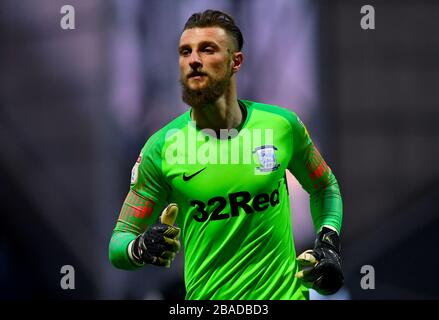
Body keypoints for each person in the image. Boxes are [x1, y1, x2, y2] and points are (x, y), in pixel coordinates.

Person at [108, 9, 343, 300]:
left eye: (207, 50)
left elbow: (324, 186)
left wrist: (328, 242)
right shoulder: (162, 148)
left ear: (235, 62)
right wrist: (140, 247)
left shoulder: (282, 126)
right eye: (185, 52)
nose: (194, 60)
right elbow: (118, 244)